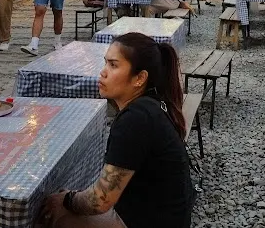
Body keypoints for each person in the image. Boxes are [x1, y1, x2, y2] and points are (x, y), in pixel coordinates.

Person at [39, 33, 193, 228]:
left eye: (113, 65)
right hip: (163, 217)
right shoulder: (152, 105)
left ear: (140, 78)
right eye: (105, 63)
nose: (103, 72)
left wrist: (65, 200)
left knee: (51, 215)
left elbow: (100, 200)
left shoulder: (135, 120)